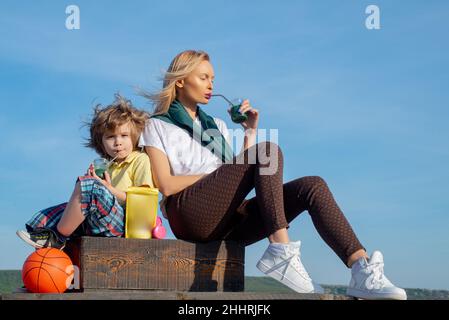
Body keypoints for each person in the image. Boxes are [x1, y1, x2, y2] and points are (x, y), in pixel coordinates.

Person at [139, 50, 407, 300]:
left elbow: (235, 177)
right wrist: (218, 172)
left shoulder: (216, 125)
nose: (211, 85)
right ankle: (281, 249)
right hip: (189, 215)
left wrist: (249, 132)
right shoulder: (158, 125)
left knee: (312, 185)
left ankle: (360, 268)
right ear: (181, 81)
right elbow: (167, 184)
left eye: (213, 79)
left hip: (226, 218)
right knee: (267, 151)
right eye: (204, 77)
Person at [17, 94, 154, 249]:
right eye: (110, 137)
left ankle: (58, 238)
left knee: (90, 186)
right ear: (101, 142)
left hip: (124, 225)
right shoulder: (106, 165)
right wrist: (89, 184)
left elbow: (144, 202)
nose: (117, 142)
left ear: (135, 137)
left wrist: (107, 189)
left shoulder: (140, 160)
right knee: (68, 205)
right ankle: (45, 234)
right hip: (99, 220)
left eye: (124, 136)